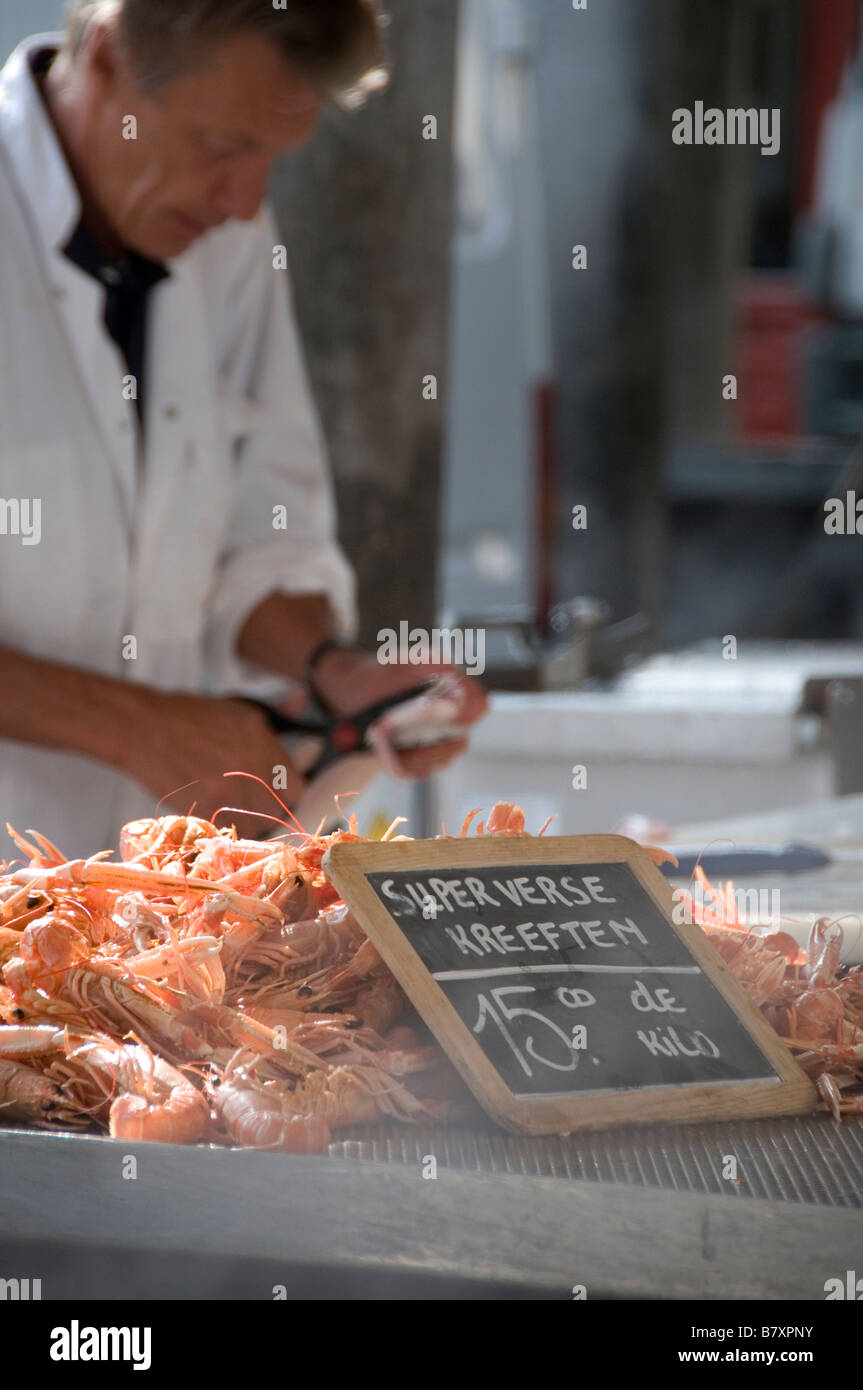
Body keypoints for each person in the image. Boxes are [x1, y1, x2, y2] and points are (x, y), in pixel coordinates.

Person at [0, 0, 486, 856]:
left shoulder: (226, 243)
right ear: (108, 58)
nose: (244, 200)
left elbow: (256, 538)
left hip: (149, 919)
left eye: (272, 159)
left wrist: (334, 674)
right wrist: (137, 726)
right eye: (224, 146)